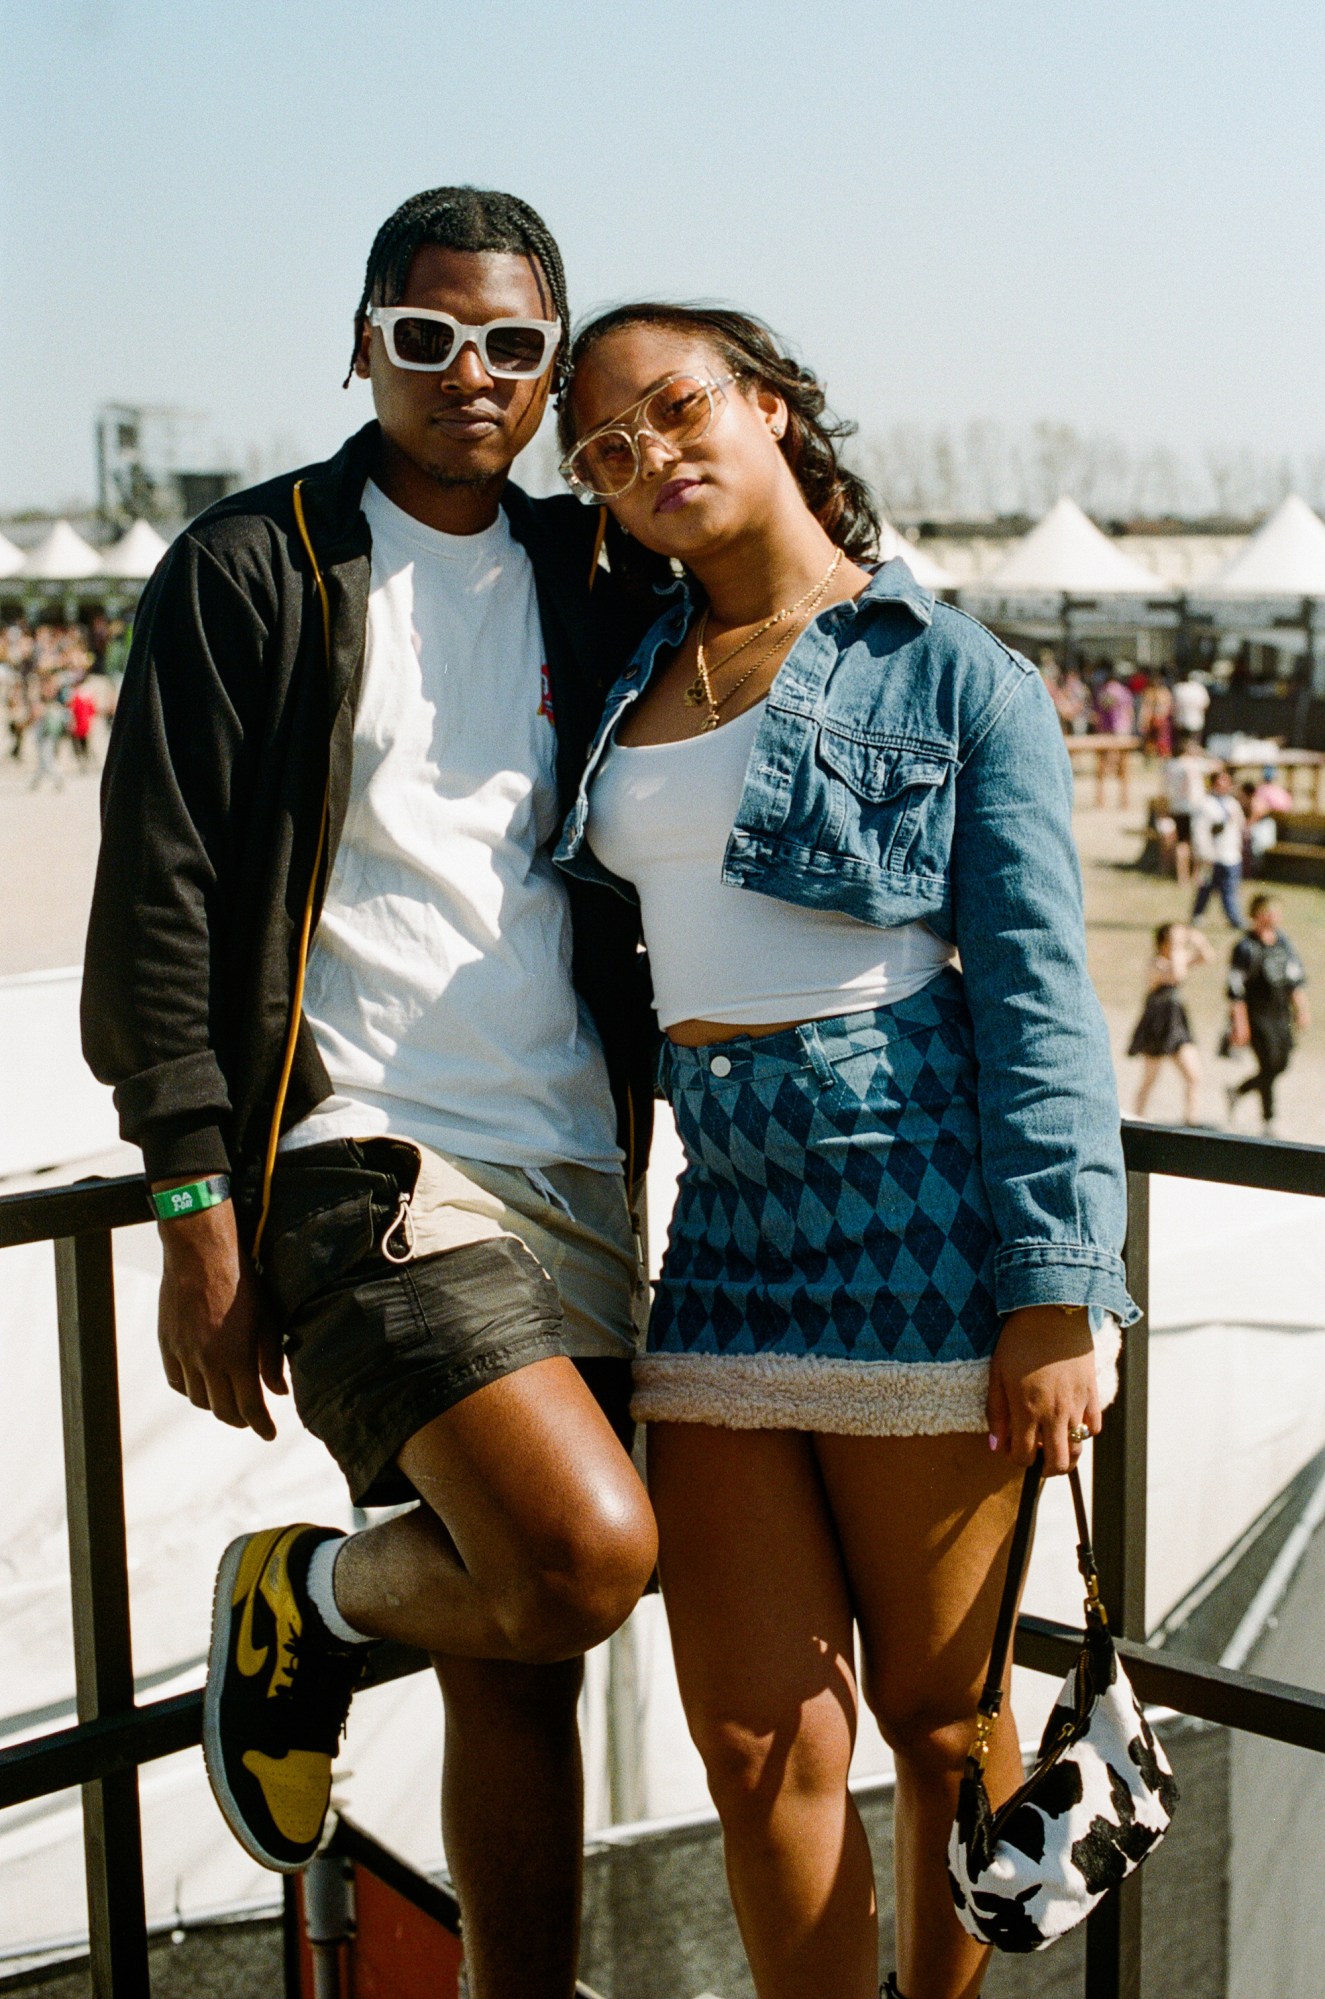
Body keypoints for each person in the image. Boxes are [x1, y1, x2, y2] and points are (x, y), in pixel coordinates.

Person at [82, 187, 662, 1999]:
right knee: (585, 1549)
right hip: (359, 1153)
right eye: (426, 337)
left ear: (551, 370)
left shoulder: (596, 573)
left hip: (577, 1155)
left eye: (508, 345)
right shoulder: (255, 567)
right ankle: (307, 1599)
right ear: (362, 345)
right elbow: (161, 894)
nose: (467, 376)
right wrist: (194, 1203)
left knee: (525, 1655)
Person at [553, 304, 1137, 1999]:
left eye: (673, 408)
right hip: (723, 1227)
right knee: (751, 1738)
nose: (647, 453)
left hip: (924, 1221)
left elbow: (1040, 1001)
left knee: (942, 1719)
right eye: (603, 444)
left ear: (774, 403)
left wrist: (1055, 1292)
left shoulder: (956, 671)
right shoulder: (625, 671)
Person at [1225, 895, 1309, 1133]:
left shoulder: (1284, 944)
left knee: (1280, 1063)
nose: (1273, 916)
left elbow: (1294, 980)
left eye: (1276, 911)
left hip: (1281, 1014)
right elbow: (1235, 990)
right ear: (1256, 915)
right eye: (1267, 911)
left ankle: (1237, 1091)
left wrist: (1301, 1009)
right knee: (1269, 1061)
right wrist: (1240, 1024)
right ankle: (1268, 1120)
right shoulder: (1245, 947)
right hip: (1257, 1015)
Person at [1128, 922, 1214, 1122]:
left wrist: (1197, 939)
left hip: (1176, 1024)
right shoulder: (1156, 964)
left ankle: (1190, 1122)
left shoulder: (1177, 958)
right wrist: (1178, 947)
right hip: (1157, 1025)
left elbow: (1207, 957)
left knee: (1194, 1076)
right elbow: (1176, 974)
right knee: (1149, 1080)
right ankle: (1135, 1120)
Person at [1190, 764, 1246, 928]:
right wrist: (1204, 854)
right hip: (1212, 854)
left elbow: (1239, 826)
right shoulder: (1206, 804)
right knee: (1206, 887)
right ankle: (1198, 914)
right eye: (1221, 781)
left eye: (1227, 782)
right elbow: (1199, 831)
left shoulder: (1232, 804)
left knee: (1229, 889)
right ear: (1214, 783)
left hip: (1230, 854)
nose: (1224, 785)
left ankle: (1234, 917)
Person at [1161, 733, 1208, 883]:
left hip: (1176, 807)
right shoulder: (1192, 764)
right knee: (1194, 843)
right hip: (1193, 807)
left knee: (1181, 843)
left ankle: (1182, 877)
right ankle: (1195, 876)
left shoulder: (1169, 765)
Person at [1092, 664, 1135, 807]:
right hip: (1122, 730)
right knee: (1123, 765)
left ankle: (1101, 799)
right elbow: (1129, 712)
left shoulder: (1104, 691)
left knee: (1102, 764)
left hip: (1106, 731)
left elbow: (1101, 711)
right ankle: (1124, 800)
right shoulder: (1125, 691)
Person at [1171, 669, 1210, 742]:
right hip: (1196, 721)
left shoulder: (1178, 688)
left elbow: (1173, 706)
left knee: (1183, 742)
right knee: (1193, 742)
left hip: (1181, 720)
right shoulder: (1200, 688)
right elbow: (1205, 705)